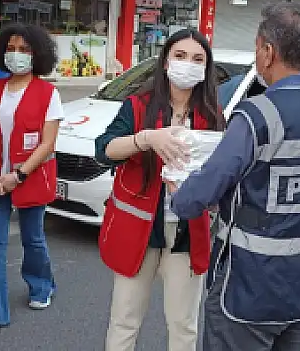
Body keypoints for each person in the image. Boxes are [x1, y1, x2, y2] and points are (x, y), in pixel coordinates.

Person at [169, 2, 300, 351]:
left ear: (268, 52)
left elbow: (197, 195)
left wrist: (180, 191)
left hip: (250, 292)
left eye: (257, 48)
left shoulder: (257, 115)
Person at [95, 28, 224, 351]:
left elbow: (221, 174)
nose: (187, 64)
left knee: (183, 325)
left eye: (197, 59)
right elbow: (104, 149)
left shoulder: (211, 116)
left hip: (186, 231)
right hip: (139, 228)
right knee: (125, 319)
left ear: (205, 69)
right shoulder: (138, 107)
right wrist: (147, 138)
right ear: (165, 61)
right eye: (180, 56)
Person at [0, 23, 62, 334]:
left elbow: (48, 143)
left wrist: (18, 175)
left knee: (32, 239)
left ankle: (42, 285)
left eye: (24, 49)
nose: (16, 55)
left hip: (29, 178)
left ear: (37, 55)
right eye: (10, 48)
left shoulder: (48, 93)